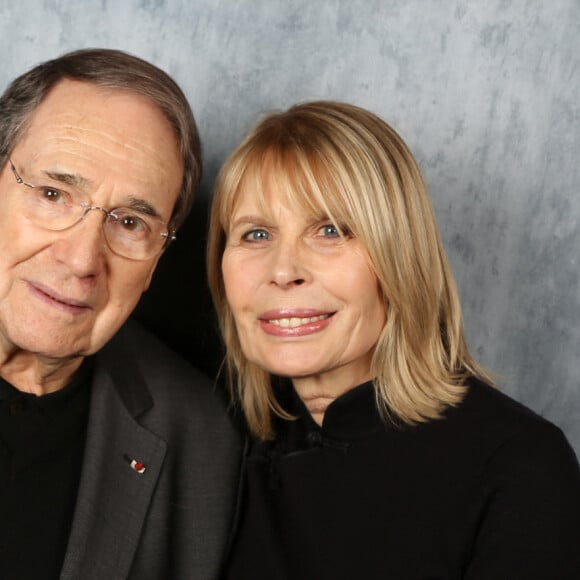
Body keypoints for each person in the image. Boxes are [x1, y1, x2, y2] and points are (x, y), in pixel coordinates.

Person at [207, 100, 580, 579]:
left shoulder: (518, 470)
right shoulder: (211, 442)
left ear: (400, 258)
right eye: (256, 234)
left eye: (330, 230)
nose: (283, 271)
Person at [0, 48, 242, 580]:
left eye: (130, 223)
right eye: (51, 193)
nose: (82, 258)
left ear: (158, 259)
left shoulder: (201, 440)